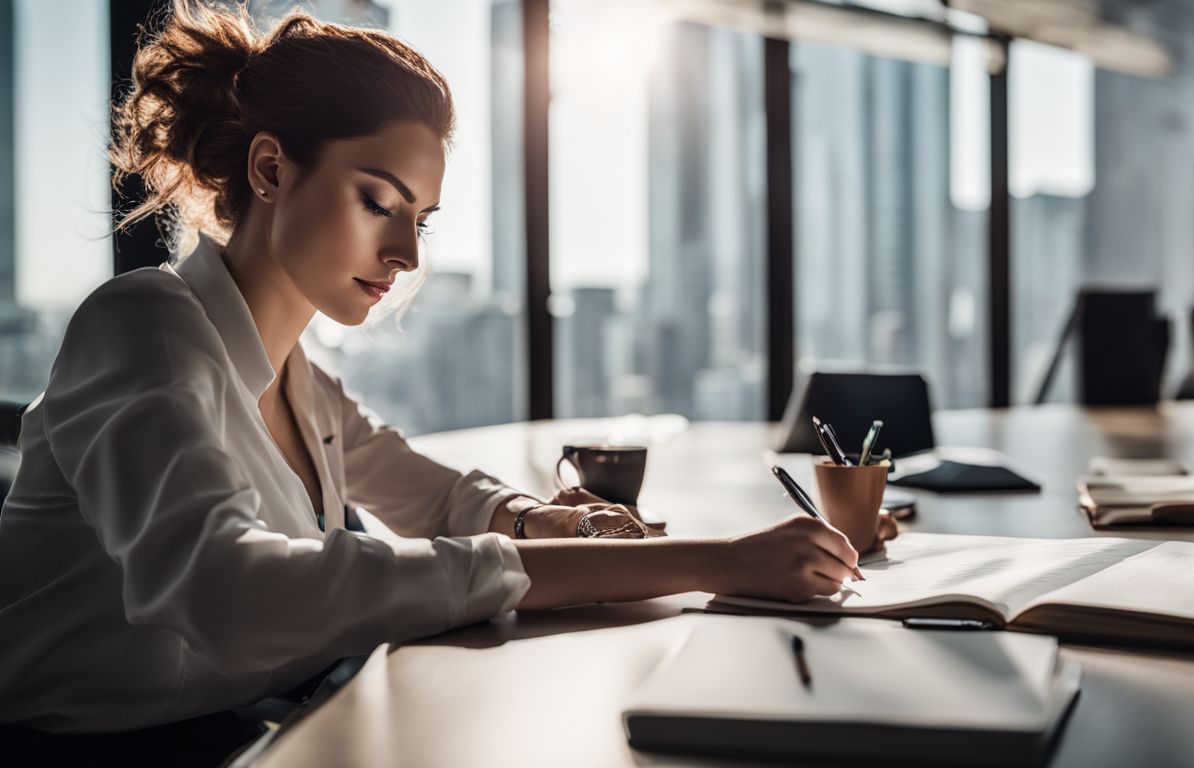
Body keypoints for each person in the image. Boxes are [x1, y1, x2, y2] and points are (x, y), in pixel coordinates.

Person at [0, 2, 898, 762]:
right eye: (378, 201)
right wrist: (716, 560)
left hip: (258, 727)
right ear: (271, 169)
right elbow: (230, 594)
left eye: (421, 217)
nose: (406, 254)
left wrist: (536, 520)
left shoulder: (295, 372)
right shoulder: (143, 328)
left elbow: (423, 489)